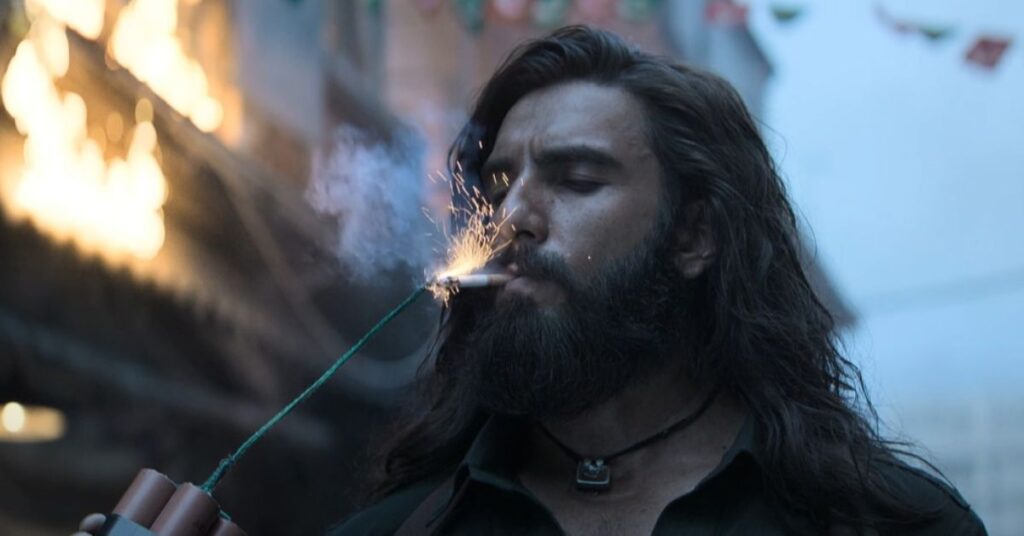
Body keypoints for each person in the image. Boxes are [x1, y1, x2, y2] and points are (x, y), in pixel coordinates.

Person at [76, 26, 985, 536]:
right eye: (499, 184)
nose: (509, 220)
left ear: (695, 236)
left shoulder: (889, 525)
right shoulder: (400, 530)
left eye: (578, 179)